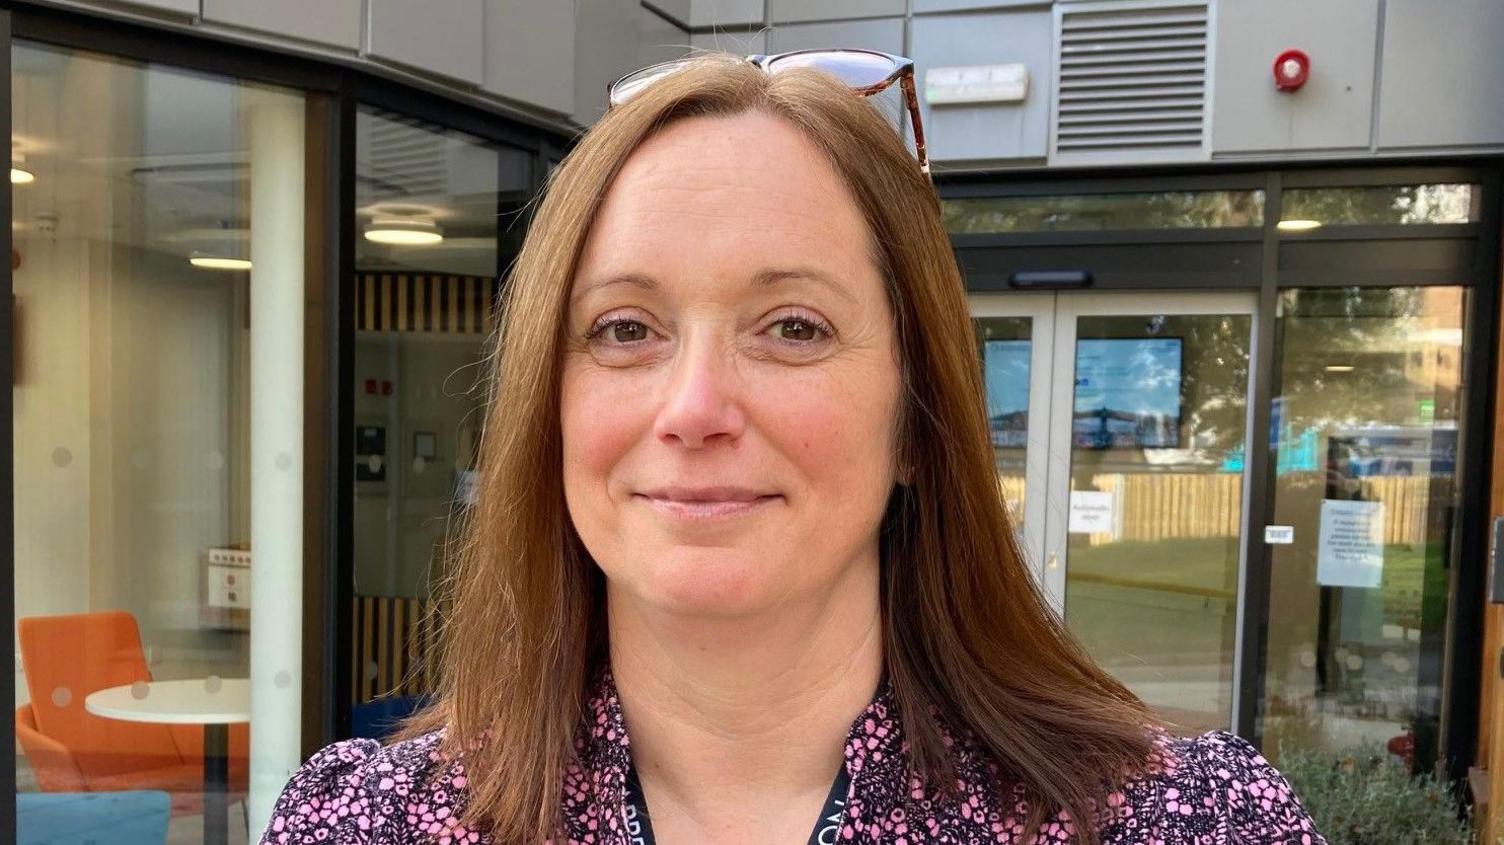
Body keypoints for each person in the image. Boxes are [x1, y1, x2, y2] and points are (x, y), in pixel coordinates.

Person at [259, 51, 1327, 845]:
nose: (695, 406)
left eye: (793, 327)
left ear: (916, 415)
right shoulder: (363, 821)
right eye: (624, 328)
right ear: (548, 401)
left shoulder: (1181, 821)